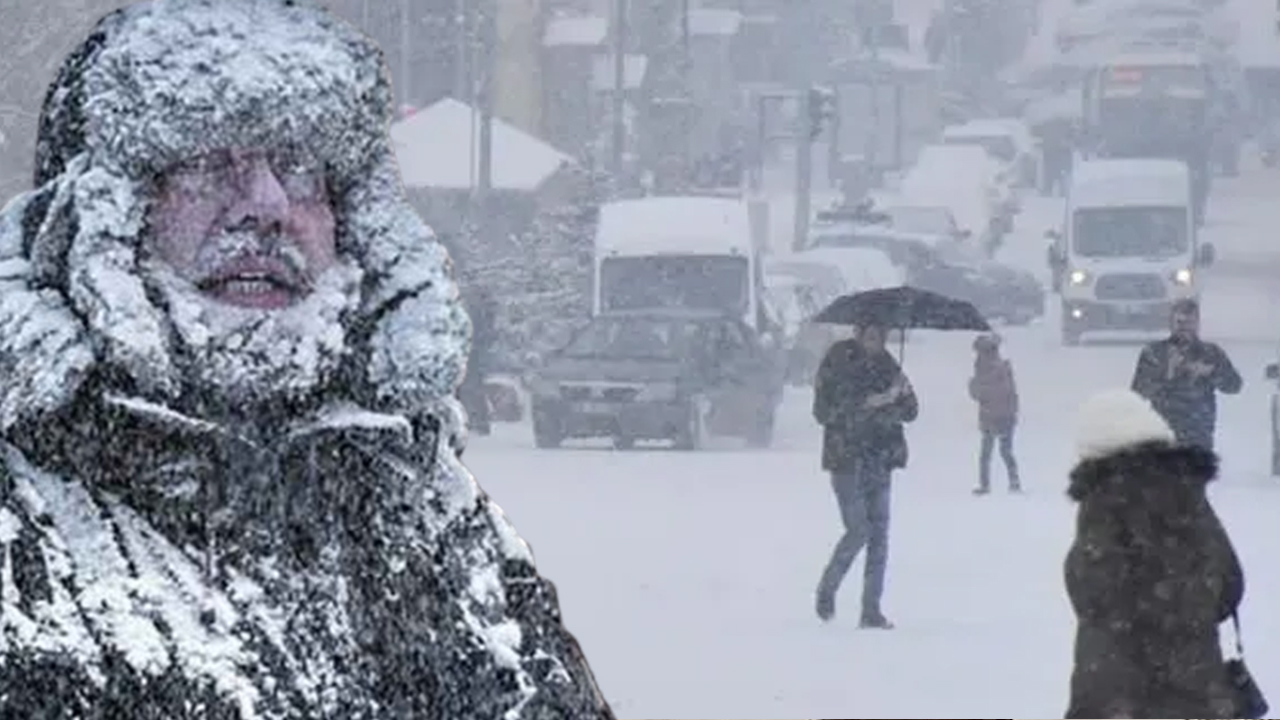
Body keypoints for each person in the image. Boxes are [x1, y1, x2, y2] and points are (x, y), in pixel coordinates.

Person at [0, 1, 614, 718]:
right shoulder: (23, 527)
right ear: (100, 217)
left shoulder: (417, 497)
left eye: (298, 166)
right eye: (205, 163)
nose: (265, 205)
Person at [1064, 389, 1244, 718]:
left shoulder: (1105, 498)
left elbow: (1093, 592)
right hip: (1197, 685)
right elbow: (1230, 586)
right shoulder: (1190, 494)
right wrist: (1187, 614)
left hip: (1117, 690)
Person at [812, 322, 918, 629]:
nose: (875, 342)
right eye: (869, 335)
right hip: (845, 459)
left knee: (880, 537)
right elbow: (823, 412)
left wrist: (893, 400)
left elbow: (910, 410)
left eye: (880, 336)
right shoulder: (837, 360)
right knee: (858, 529)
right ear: (857, 334)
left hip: (880, 458)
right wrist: (868, 405)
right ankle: (827, 588)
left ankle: (871, 608)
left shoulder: (889, 366)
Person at [1131, 298, 1242, 451]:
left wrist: (1211, 373)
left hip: (1199, 434)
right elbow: (1138, 392)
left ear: (1197, 324)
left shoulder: (1210, 352)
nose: (1184, 328)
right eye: (1180, 322)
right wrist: (1168, 373)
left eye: (1189, 322)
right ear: (1171, 323)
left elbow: (1234, 385)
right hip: (1163, 433)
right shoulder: (1154, 353)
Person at [968, 333, 1020, 494]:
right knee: (1005, 452)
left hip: (992, 416)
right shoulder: (1002, 369)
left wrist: (974, 385)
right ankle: (1014, 482)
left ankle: (986, 485)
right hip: (1004, 416)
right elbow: (1010, 394)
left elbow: (979, 394)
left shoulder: (988, 371)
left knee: (987, 454)